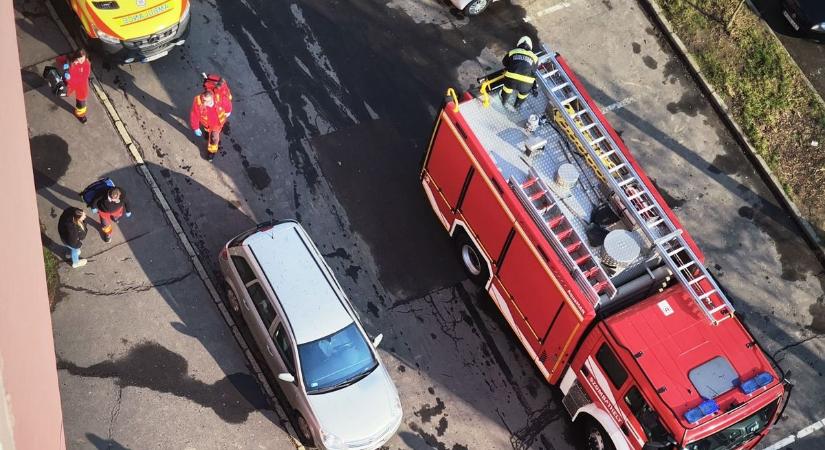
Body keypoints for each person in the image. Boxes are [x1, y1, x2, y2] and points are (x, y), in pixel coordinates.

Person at [189, 80, 233, 162]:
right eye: (203, 100)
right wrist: (195, 127)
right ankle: (206, 132)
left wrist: (228, 112)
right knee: (206, 129)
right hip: (206, 123)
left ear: (212, 98)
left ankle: (211, 152)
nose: (204, 103)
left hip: (217, 125)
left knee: (214, 138)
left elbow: (228, 104)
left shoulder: (220, 99)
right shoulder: (198, 101)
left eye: (206, 101)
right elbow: (194, 115)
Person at [500, 36, 538, 110]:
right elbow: (534, 71)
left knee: (507, 89)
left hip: (511, 81)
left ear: (519, 44)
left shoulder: (513, 52)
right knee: (523, 94)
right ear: (530, 46)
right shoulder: (535, 57)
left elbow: (504, 63)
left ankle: (504, 101)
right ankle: (517, 106)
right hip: (525, 84)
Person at [56, 48, 91, 123]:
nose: (81, 61)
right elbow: (60, 60)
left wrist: (70, 78)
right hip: (70, 84)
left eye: (82, 59)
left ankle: (80, 115)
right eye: (79, 59)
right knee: (64, 92)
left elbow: (84, 76)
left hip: (81, 86)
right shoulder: (69, 60)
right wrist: (65, 69)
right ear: (76, 57)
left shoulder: (86, 64)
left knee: (81, 102)